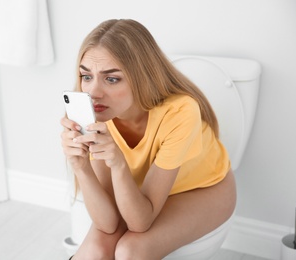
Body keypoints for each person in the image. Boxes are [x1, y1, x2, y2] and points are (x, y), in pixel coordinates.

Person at [60, 19, 236, 260]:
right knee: (96, 250)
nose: (93, 92)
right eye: (86, 76)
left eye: (112, 79)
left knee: (130, 250)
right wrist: (81, 167)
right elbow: (107, 223)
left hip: (200, 190)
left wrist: (119, 163)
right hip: (138, 191)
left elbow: (139, 223)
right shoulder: (97, 113)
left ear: (140, 76)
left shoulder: (180, 112)